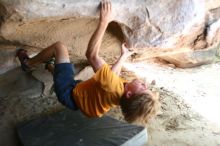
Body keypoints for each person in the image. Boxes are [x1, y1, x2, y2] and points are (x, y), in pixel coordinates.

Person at [16, 0, 160, 125]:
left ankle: (28, 64)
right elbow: (112, 76)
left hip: (68, 92)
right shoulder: (122, 95)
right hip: (80, 97)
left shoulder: (113, 87)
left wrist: (104, 22)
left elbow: (91, 55)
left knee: (59, 47)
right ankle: (49, 66)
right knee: (64, 72)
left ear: (129, 94)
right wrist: (123, 56)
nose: (144, 84)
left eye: (143, 88)